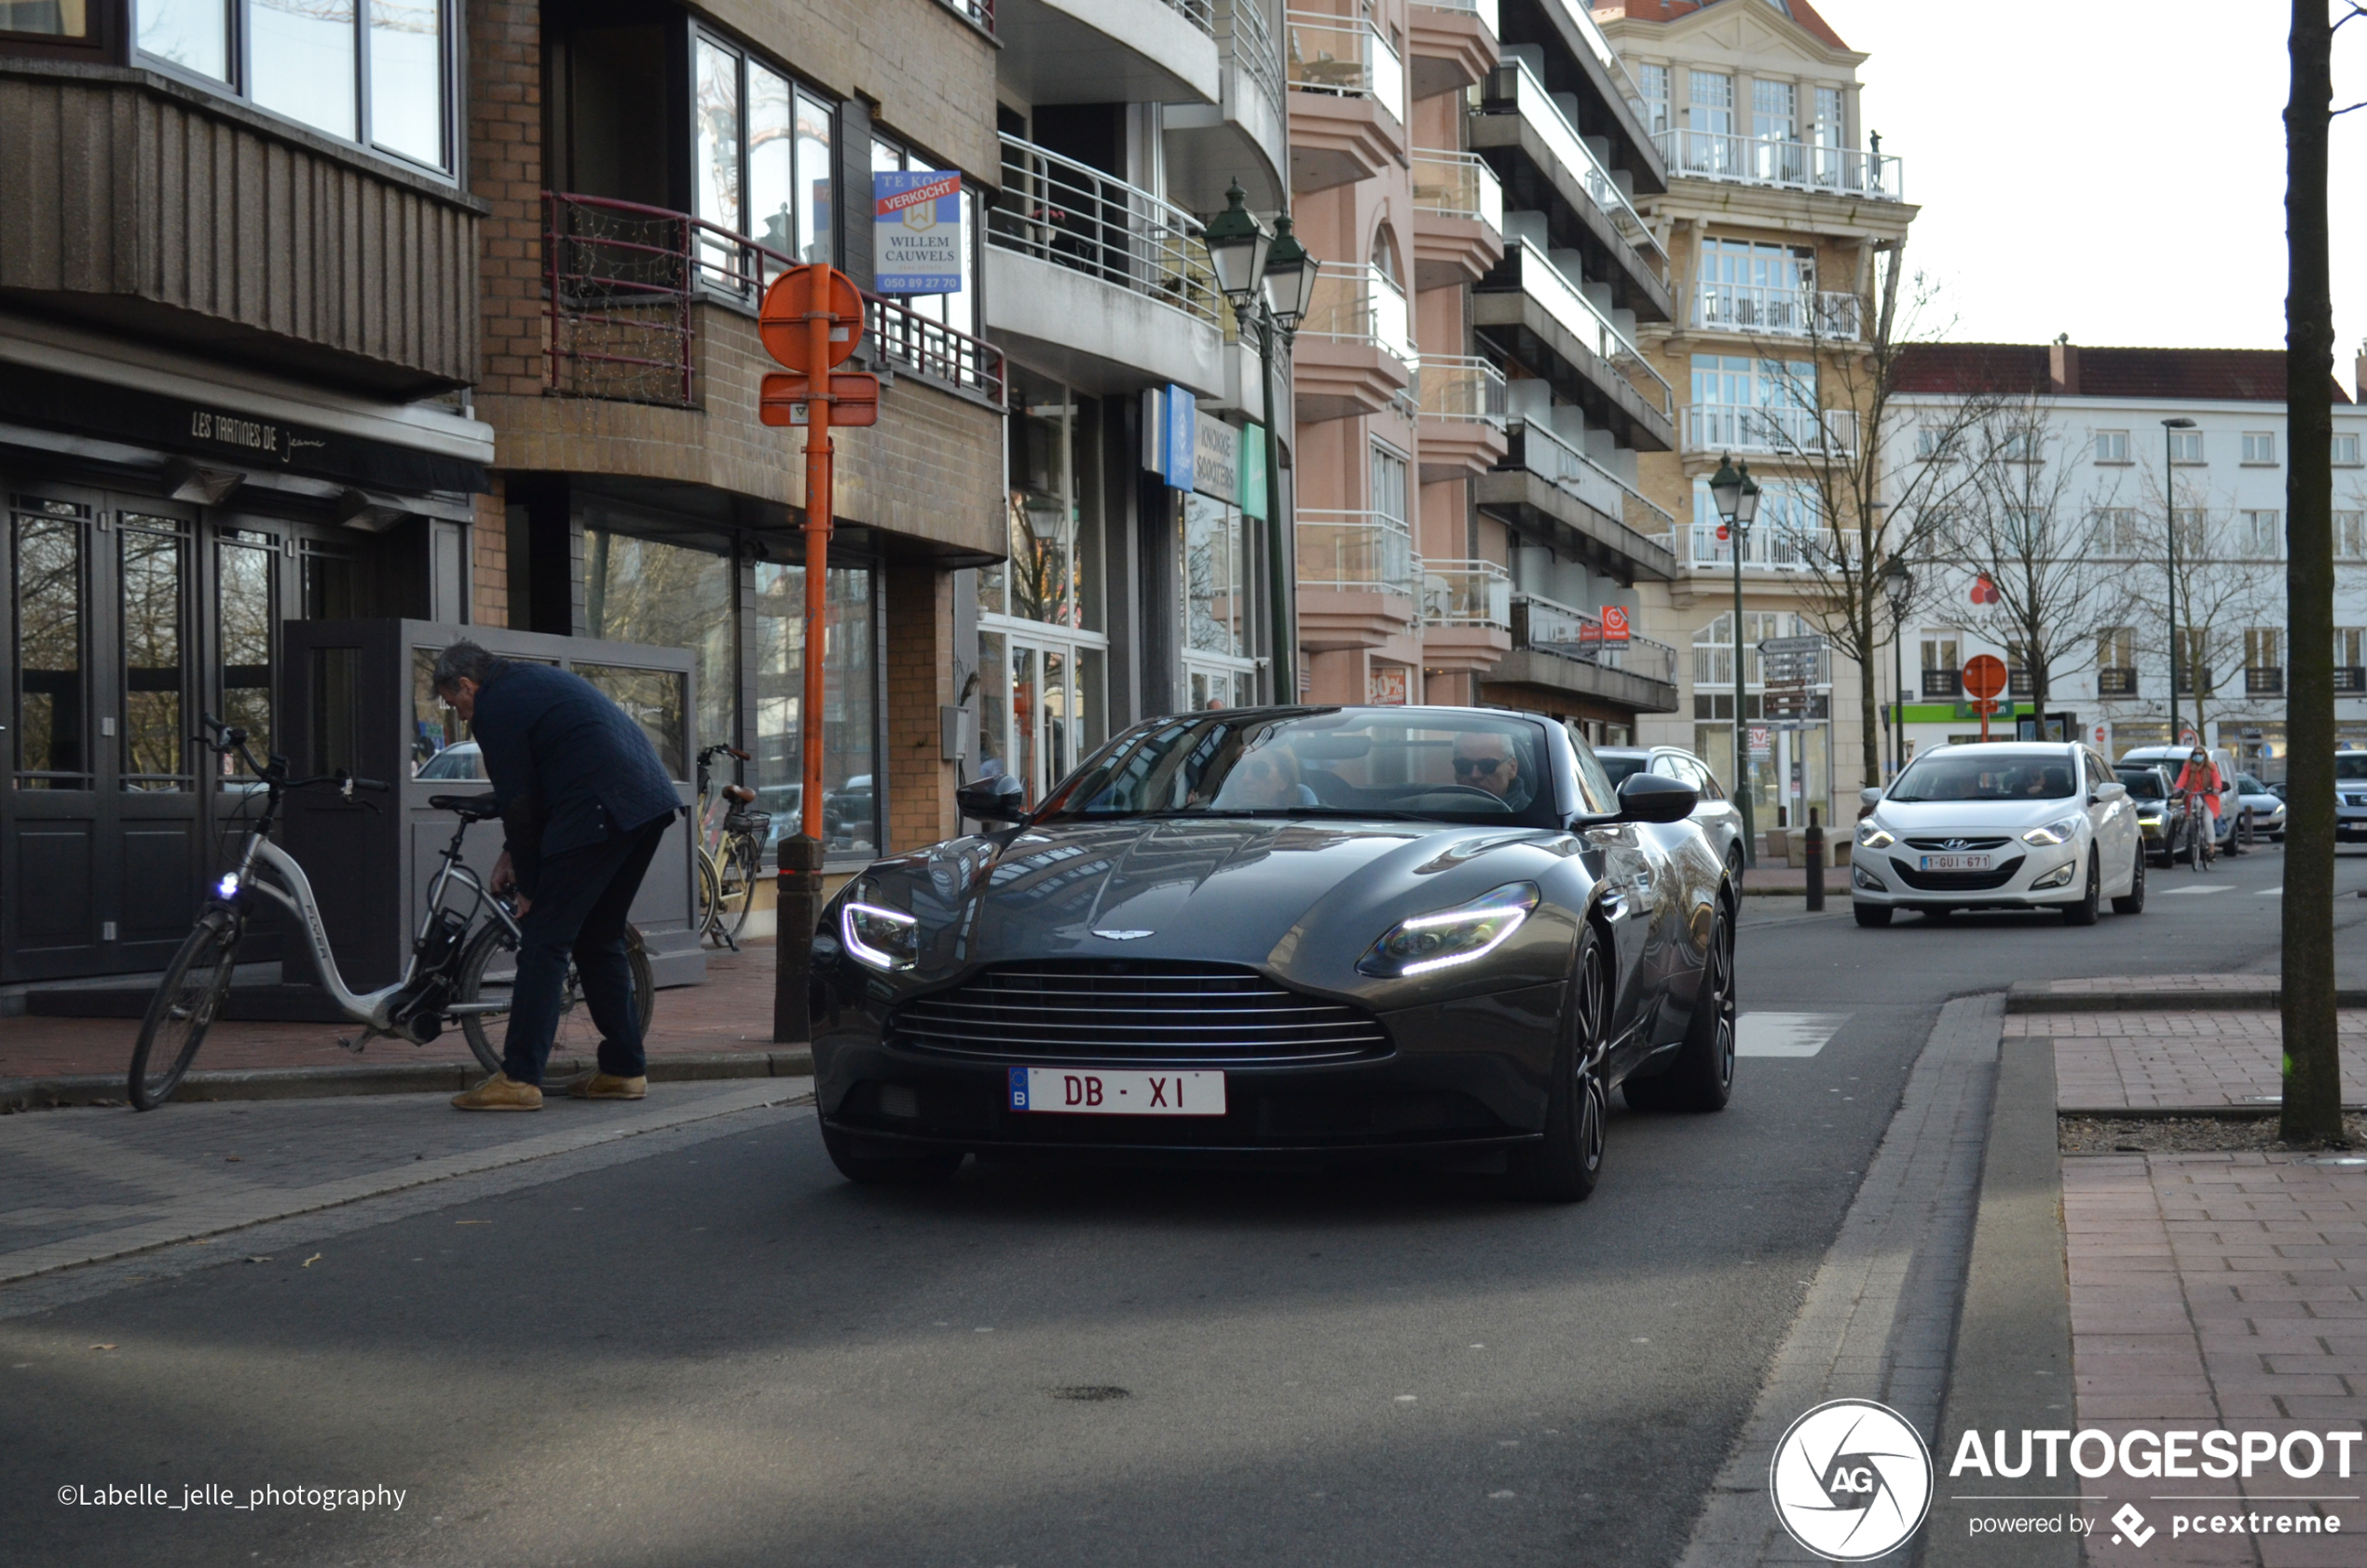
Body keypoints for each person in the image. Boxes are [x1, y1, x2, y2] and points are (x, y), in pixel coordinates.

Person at [431, 642, 683, 1111]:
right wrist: (513, 854)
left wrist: (528, 882)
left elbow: (520, 800)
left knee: (545, 940)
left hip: (600, 810)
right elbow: (544, 779)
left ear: (466, 685)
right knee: (599, 937)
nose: (461, 715)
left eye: (454, 704)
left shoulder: (495, 706)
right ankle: (624, 1070)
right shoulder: (529, 682)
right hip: (645, 804)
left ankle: (519, 1078)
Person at [1451, 729, 1532, 811]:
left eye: (1487, 765)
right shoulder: (1443, 811)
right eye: (1464, 765)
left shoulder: (1534, 818)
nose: (1474, 775)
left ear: (1512, 768)